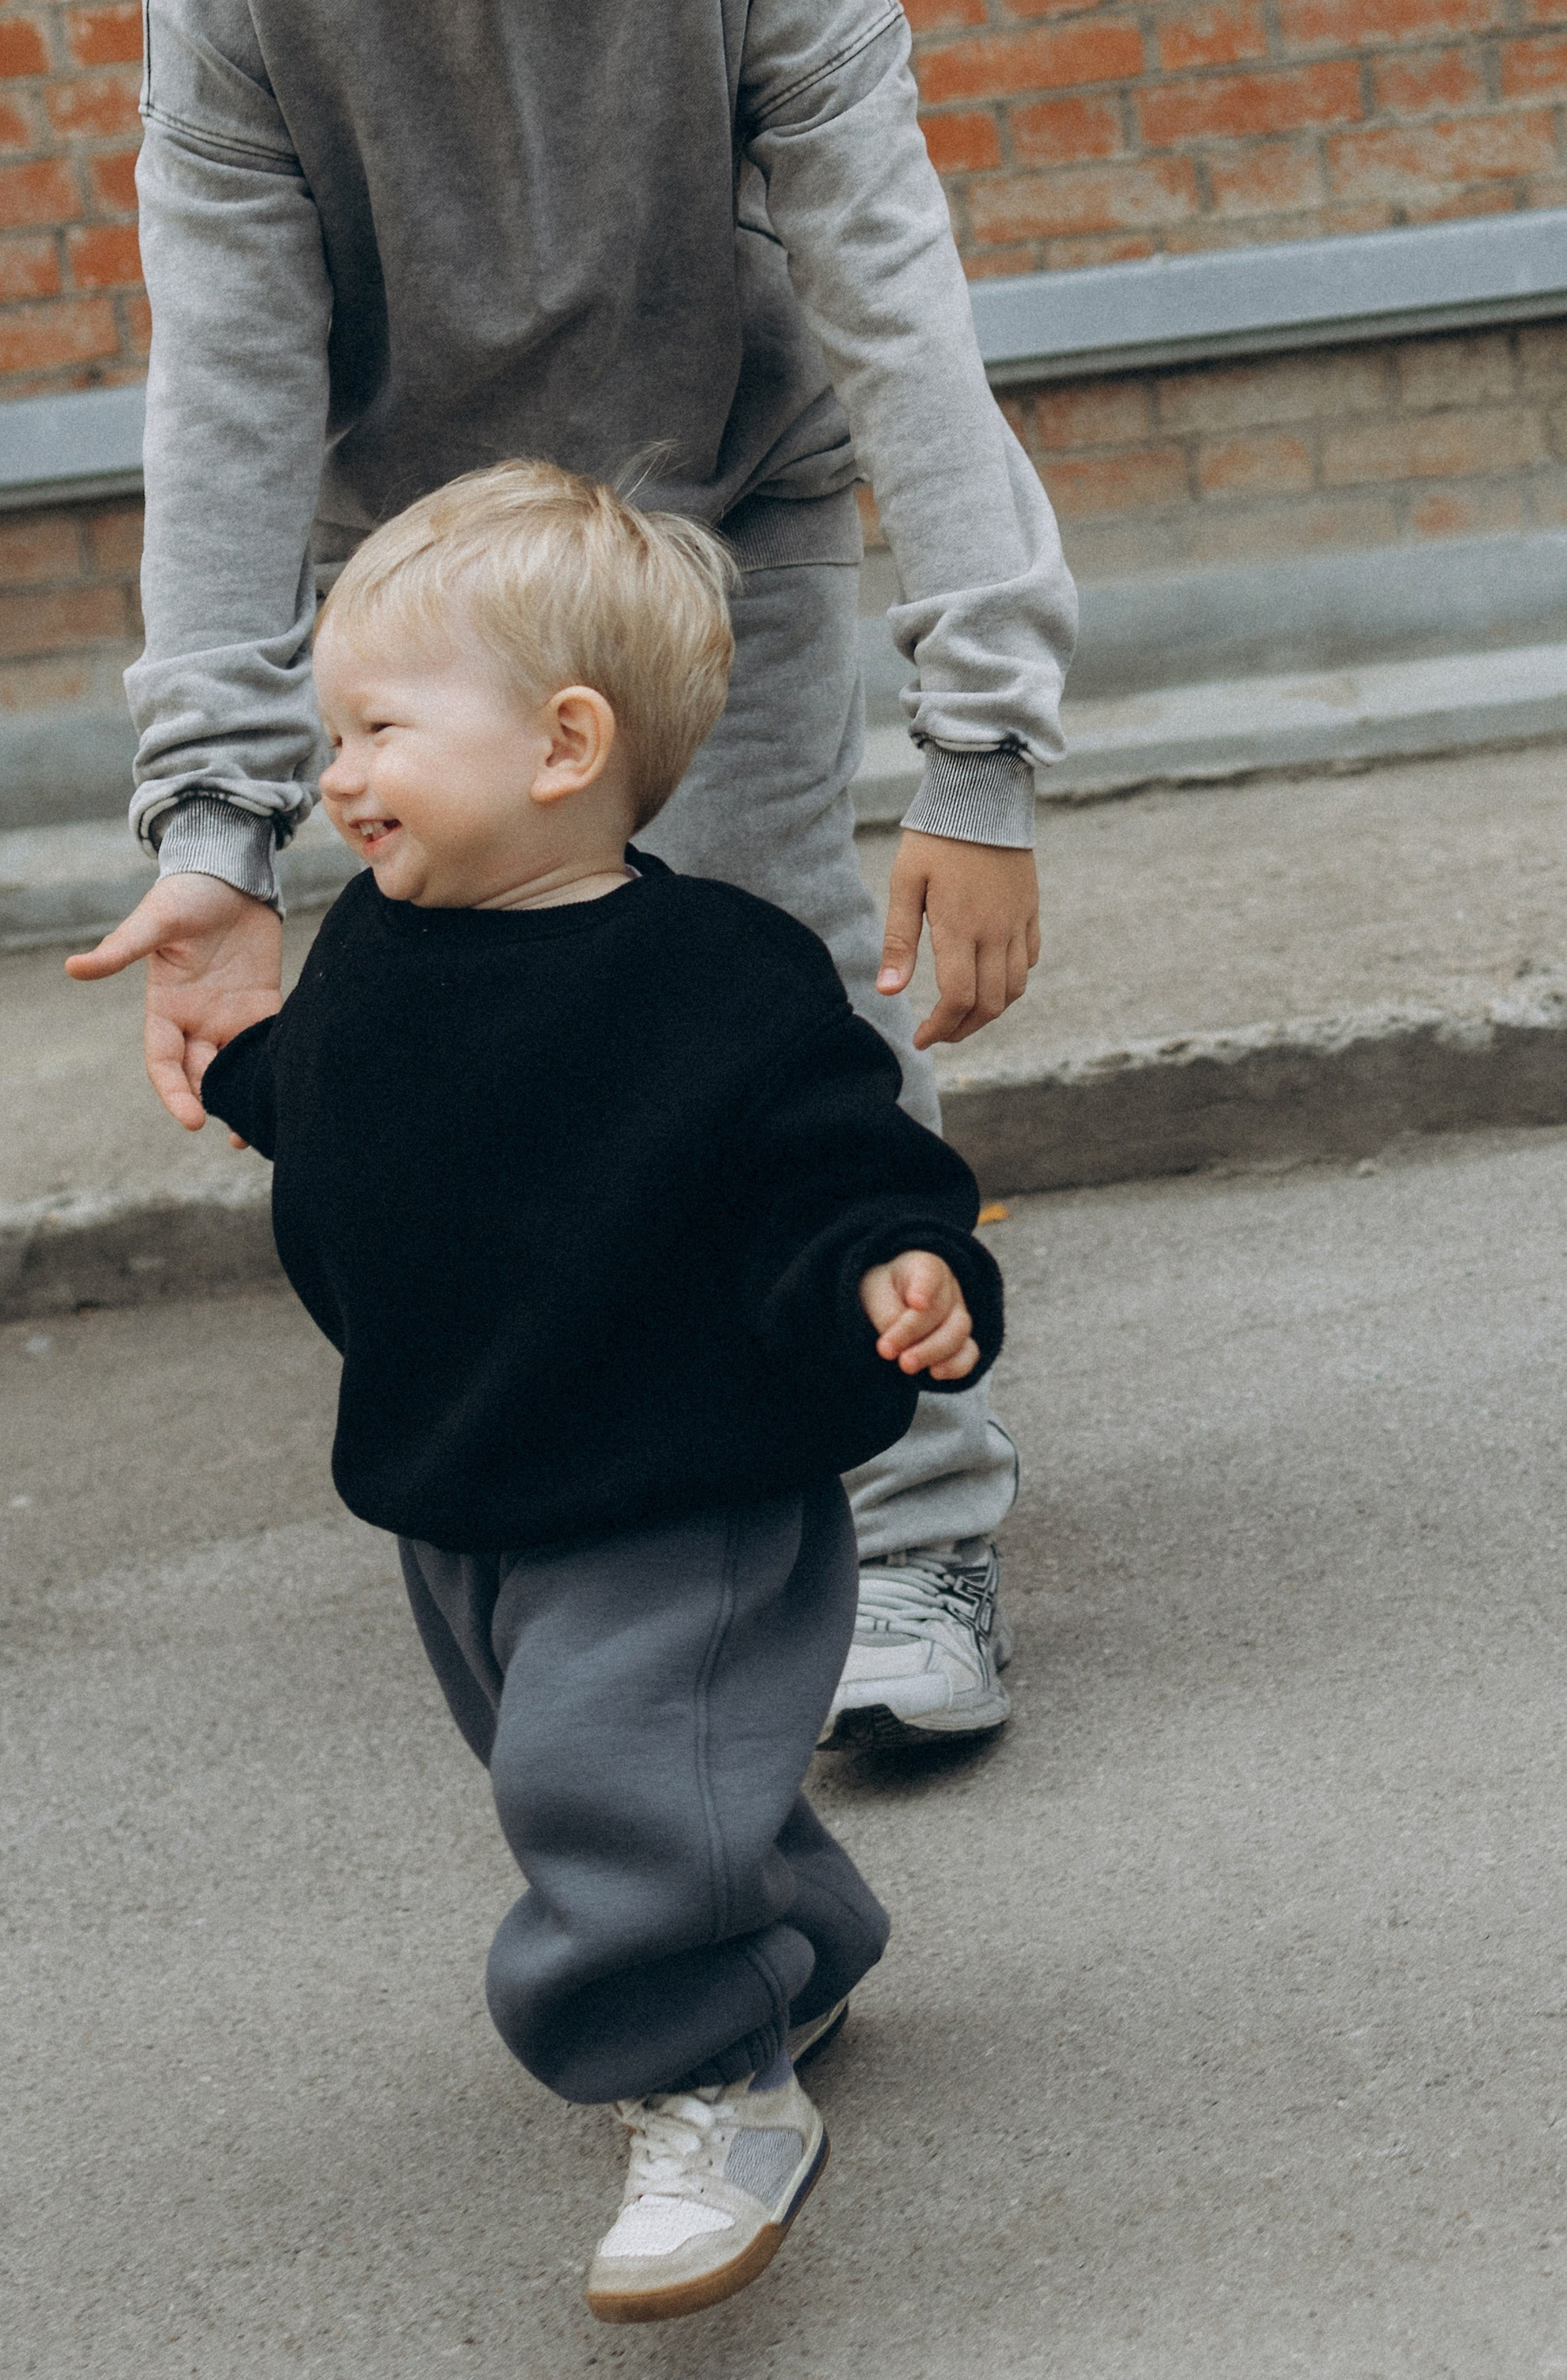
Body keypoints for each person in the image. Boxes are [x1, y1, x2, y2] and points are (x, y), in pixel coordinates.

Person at [67, 0, 1075, 1747]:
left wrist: (985, 749)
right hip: (419, 553)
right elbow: (226, 369)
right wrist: (216, 823)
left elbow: (891, 286)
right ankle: (607, 1513)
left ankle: (906, 1526)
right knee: (482, 1042)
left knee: (775, 980)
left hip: (714, 504)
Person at [194, 461, 1002, 2319]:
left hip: (679, 1486)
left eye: (380, 729)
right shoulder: (381, 947)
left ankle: (707, 2083)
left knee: (603, 1783)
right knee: (628, 1773)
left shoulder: (715, 975)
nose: (338, 774)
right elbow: (343, 1101)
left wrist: (898, 1261)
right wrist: (242, 1069)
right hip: (466, 1483)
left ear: (563, 744)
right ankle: (794, 1945)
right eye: (335, 734)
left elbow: (838, 1154)